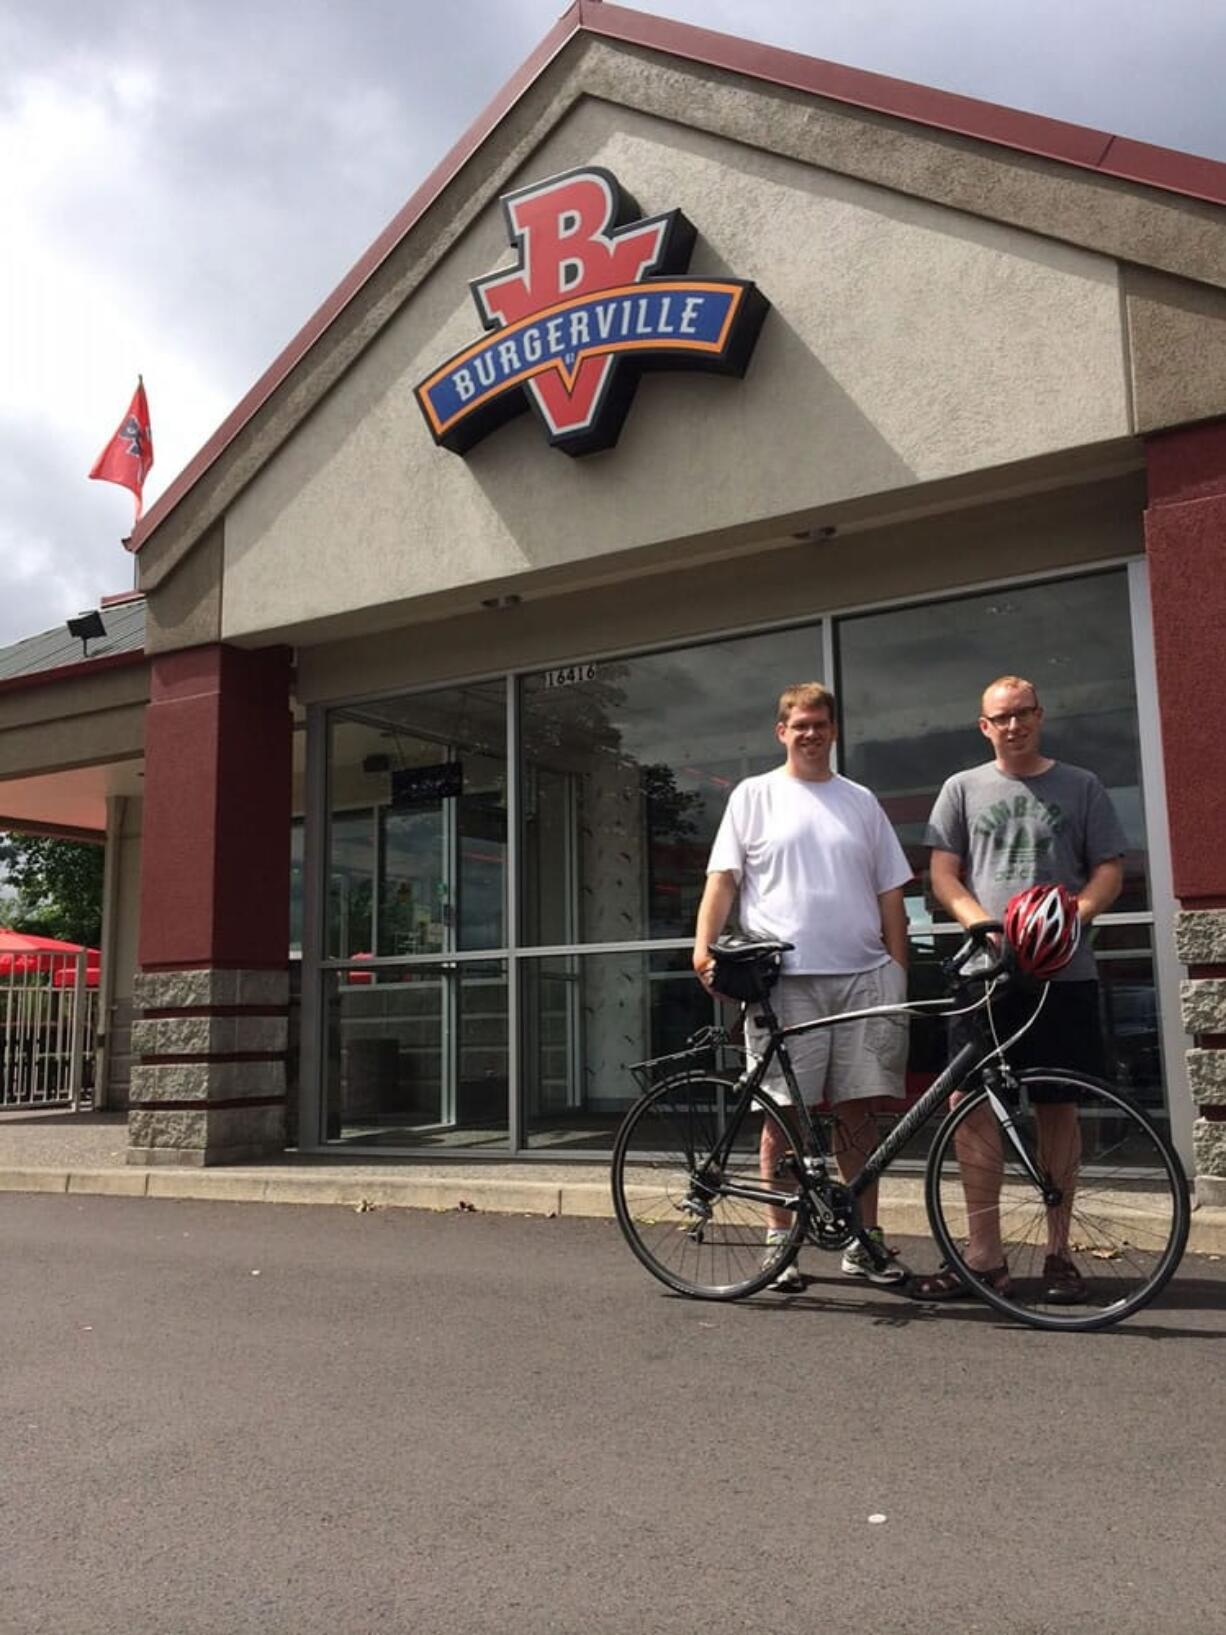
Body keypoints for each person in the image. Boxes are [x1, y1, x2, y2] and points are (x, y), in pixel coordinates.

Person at [912, 674, 1127, 1303]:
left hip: (1064, 974)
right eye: (1000, 718)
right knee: (971, 1106)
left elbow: (1110, 869)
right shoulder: (962, 789)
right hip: (987, 975)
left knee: (1057, 1103)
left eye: (1023, 714)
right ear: (984, 726)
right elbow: (943, 874)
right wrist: (981, 925)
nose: (1013, 725)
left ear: (1040, 715)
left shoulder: (1082, 785)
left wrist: (1073, 917)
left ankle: (1060, 1254)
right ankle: (984, 1258)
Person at [692, 682, 913, 1291]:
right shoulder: (754, 795)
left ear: (834, 730)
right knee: (780, 1117)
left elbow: (891, 893)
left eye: (820, 723)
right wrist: (702, 947)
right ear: (781, 732)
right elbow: (723, 881)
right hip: (783, 982)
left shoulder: (861, 801)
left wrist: (896, 969)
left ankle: (862, 1244)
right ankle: (779, 1245)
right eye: (800, 724)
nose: (811, 733)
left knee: (858, 1116)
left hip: (863, 978)